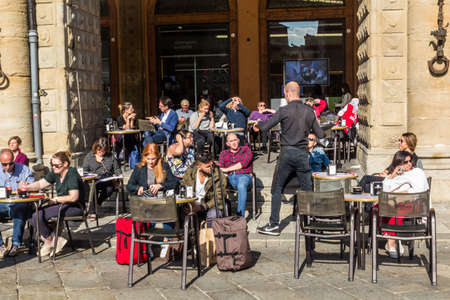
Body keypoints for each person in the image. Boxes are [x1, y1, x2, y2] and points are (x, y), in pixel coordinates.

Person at [254, 81, 325, 236]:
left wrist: (258, 124)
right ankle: (311, 223)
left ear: (287, 92)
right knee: (307, 189)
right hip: (302, 154)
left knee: (277, 188)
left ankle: (274, 225)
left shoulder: (284, 110)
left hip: (287, 153)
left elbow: (265, 127)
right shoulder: (309, 110)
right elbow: (321, 134)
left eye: (285, 94)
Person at [24, 151, 85, 257]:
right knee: (29, 213)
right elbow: (40, 184)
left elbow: (73, 197)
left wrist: (56, 199)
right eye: (52, 165)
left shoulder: (71, 173)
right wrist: (27, 187)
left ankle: (50, 240)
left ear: (65, 164)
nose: (54, 167)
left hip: (75, 207)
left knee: (37, 215)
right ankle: (52, 240)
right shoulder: (56, 172)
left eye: (57, 165)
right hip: (62, 205)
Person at [381, 151, 429, 258]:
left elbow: (418, 192)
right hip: (396, 203)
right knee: (377, 207)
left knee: (395, 207)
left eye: (410, 161)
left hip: (415, 204)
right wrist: (393, 174)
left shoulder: (417, 172)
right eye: (405, 162)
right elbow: (385, 190)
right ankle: (391, 238)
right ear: (398, 163)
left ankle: (391, 242)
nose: (409, 164)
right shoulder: (398, 174)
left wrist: (399, 195)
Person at [359, 132, 423, 193]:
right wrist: (385, 172)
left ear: (408, 143)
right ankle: (358, 202)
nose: (399, 143)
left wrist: (388, 176)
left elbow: (404, 175)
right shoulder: (400, 154)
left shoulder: (412, 159)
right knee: (368, 184)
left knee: (367, 180)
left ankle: (354, 200)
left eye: (401, 141)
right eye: (399, 140)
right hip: (390, 178)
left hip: (395, 182)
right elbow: (391, 167)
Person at [0, 149, 34, 257]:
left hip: (19, 202)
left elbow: (33, 186)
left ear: (14, 160)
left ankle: (16, 244)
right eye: (4, 164)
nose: (8, 167)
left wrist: (26, 186)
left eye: (10, 163)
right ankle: (1, 246)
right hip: (2, 204)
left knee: (19, 209)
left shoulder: (24, 169)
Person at [180, 152, 226, 226]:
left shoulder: (218, 174)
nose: (211, 168)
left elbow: (219, 197)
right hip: (192, 203)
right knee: (176, 210)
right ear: (199, 167)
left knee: (214, 214)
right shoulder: (190, 172)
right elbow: (183, 186)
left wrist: (202, 207)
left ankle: (209, 236)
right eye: (208, 167)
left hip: (209, 205)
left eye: (212, 165)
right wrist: (189, 202)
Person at [82, 137, 122, 219]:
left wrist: (119, 174)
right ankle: (93, 211)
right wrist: (90, 175)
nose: (101, 153)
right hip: (94, 180)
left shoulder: (110, 156)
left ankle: (98, 204)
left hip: (107, 179)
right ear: (95, 149)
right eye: (99, 151)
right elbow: (85, 170)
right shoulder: (89, 157)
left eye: (103, 151)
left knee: (109, 189)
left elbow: (117, 168)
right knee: (93, 189)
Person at [218, 133, 253, 217]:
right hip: (229, 178)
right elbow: (221, 169)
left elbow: (243, 164)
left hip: (244, 176)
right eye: (231, 141)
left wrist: (227, 169)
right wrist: (224, 172)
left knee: (241, 184)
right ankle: (219, 214)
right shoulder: (223, 153)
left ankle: (240, 216)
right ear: (227, 144)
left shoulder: (246, 150)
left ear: (238, 140)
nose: (233, 142)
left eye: (235, 140)